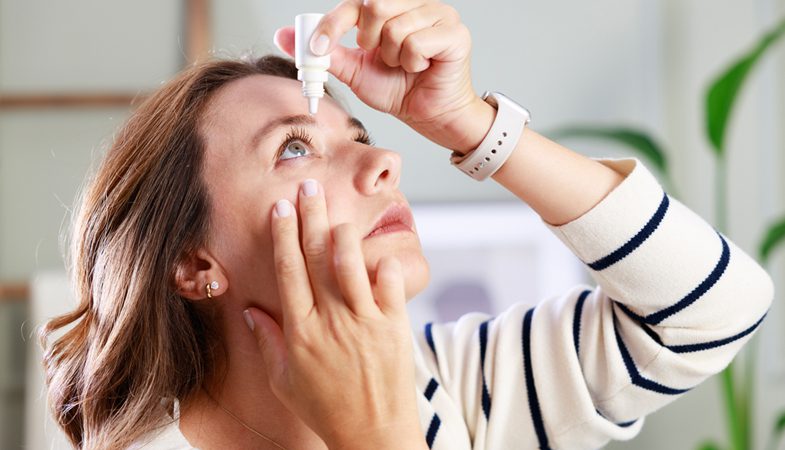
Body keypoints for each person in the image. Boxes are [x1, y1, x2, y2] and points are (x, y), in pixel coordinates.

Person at [41, 1, 774, 449]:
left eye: (359, 135)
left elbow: (715, 309)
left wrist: (470, 124)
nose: (384, 160)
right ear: (194, 263)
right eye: (294, 148)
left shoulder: (446, 385)